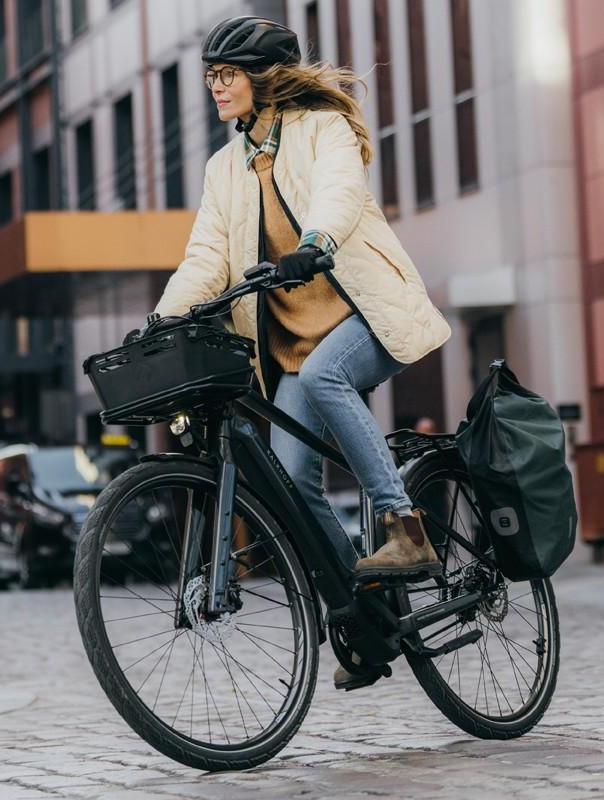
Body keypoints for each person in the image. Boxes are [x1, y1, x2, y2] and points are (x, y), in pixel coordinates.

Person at [145, 16, 453, 671]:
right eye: (210, 76)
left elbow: (340, 193)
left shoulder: (323, 130)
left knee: (324, 378)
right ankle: (364, 614)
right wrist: (164, 316)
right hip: (290, 349)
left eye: (226, 75)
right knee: (290, 485)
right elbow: (206, 254)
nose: (215, 87)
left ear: (263, 77)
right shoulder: (225, 167)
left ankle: (405, 529)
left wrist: (316, 244)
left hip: (366, 316)